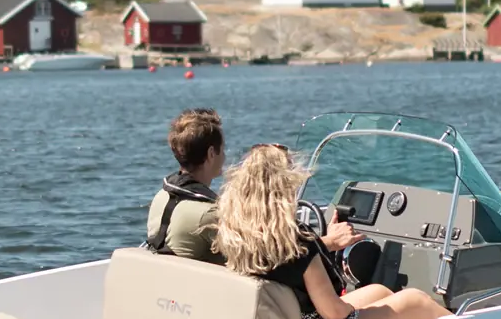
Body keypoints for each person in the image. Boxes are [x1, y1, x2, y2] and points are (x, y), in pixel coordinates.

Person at [212, 144, 453, 319]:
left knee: (379, 291)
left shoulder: (239, 235)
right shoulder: (297, 243)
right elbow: (334, 313)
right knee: (416, 300)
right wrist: (353, 309)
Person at [147, 108, 359, 263]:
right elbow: (267, 260)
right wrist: (329, 242)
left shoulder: (162, 197)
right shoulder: (208, 214)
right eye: (223, 149)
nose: (224, 155)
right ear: (211, 153)